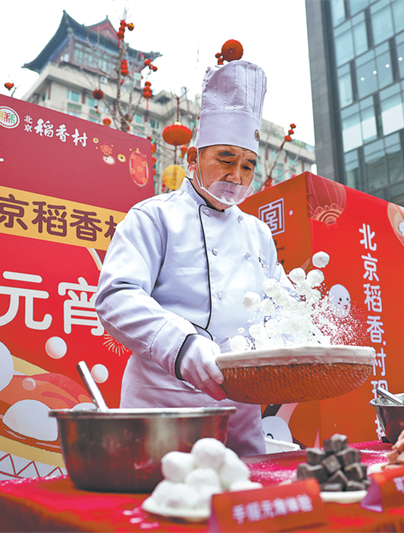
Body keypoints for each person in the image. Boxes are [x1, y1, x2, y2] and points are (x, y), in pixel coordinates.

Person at [95, 60, 292, 456]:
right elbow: (116, 296)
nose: (236, 175)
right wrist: (182, 346)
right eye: (225, 159)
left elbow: (281, 304)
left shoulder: (258, 233)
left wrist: (295, 342)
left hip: (240, 413)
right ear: (193, 156)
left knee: (244, 505)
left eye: (248, 165)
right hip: (163, 407)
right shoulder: (154, 216)